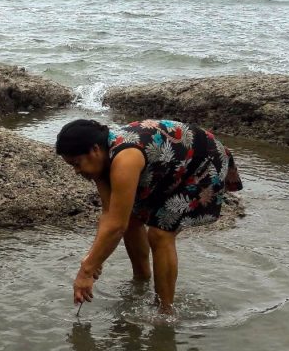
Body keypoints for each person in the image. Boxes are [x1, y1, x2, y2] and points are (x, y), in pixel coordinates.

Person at [55, 119, 243, 312]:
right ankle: (141, 281)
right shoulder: (101, 162)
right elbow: (110, 215)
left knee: (160, 234)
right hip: (165, 167)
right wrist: (94, 259)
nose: (77, 171)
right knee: (131, 218)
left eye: (77, 164)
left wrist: (86, 271)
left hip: (201, 161)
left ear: (95, 149)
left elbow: (116, 226)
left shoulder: (125, 157)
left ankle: (165, 310)